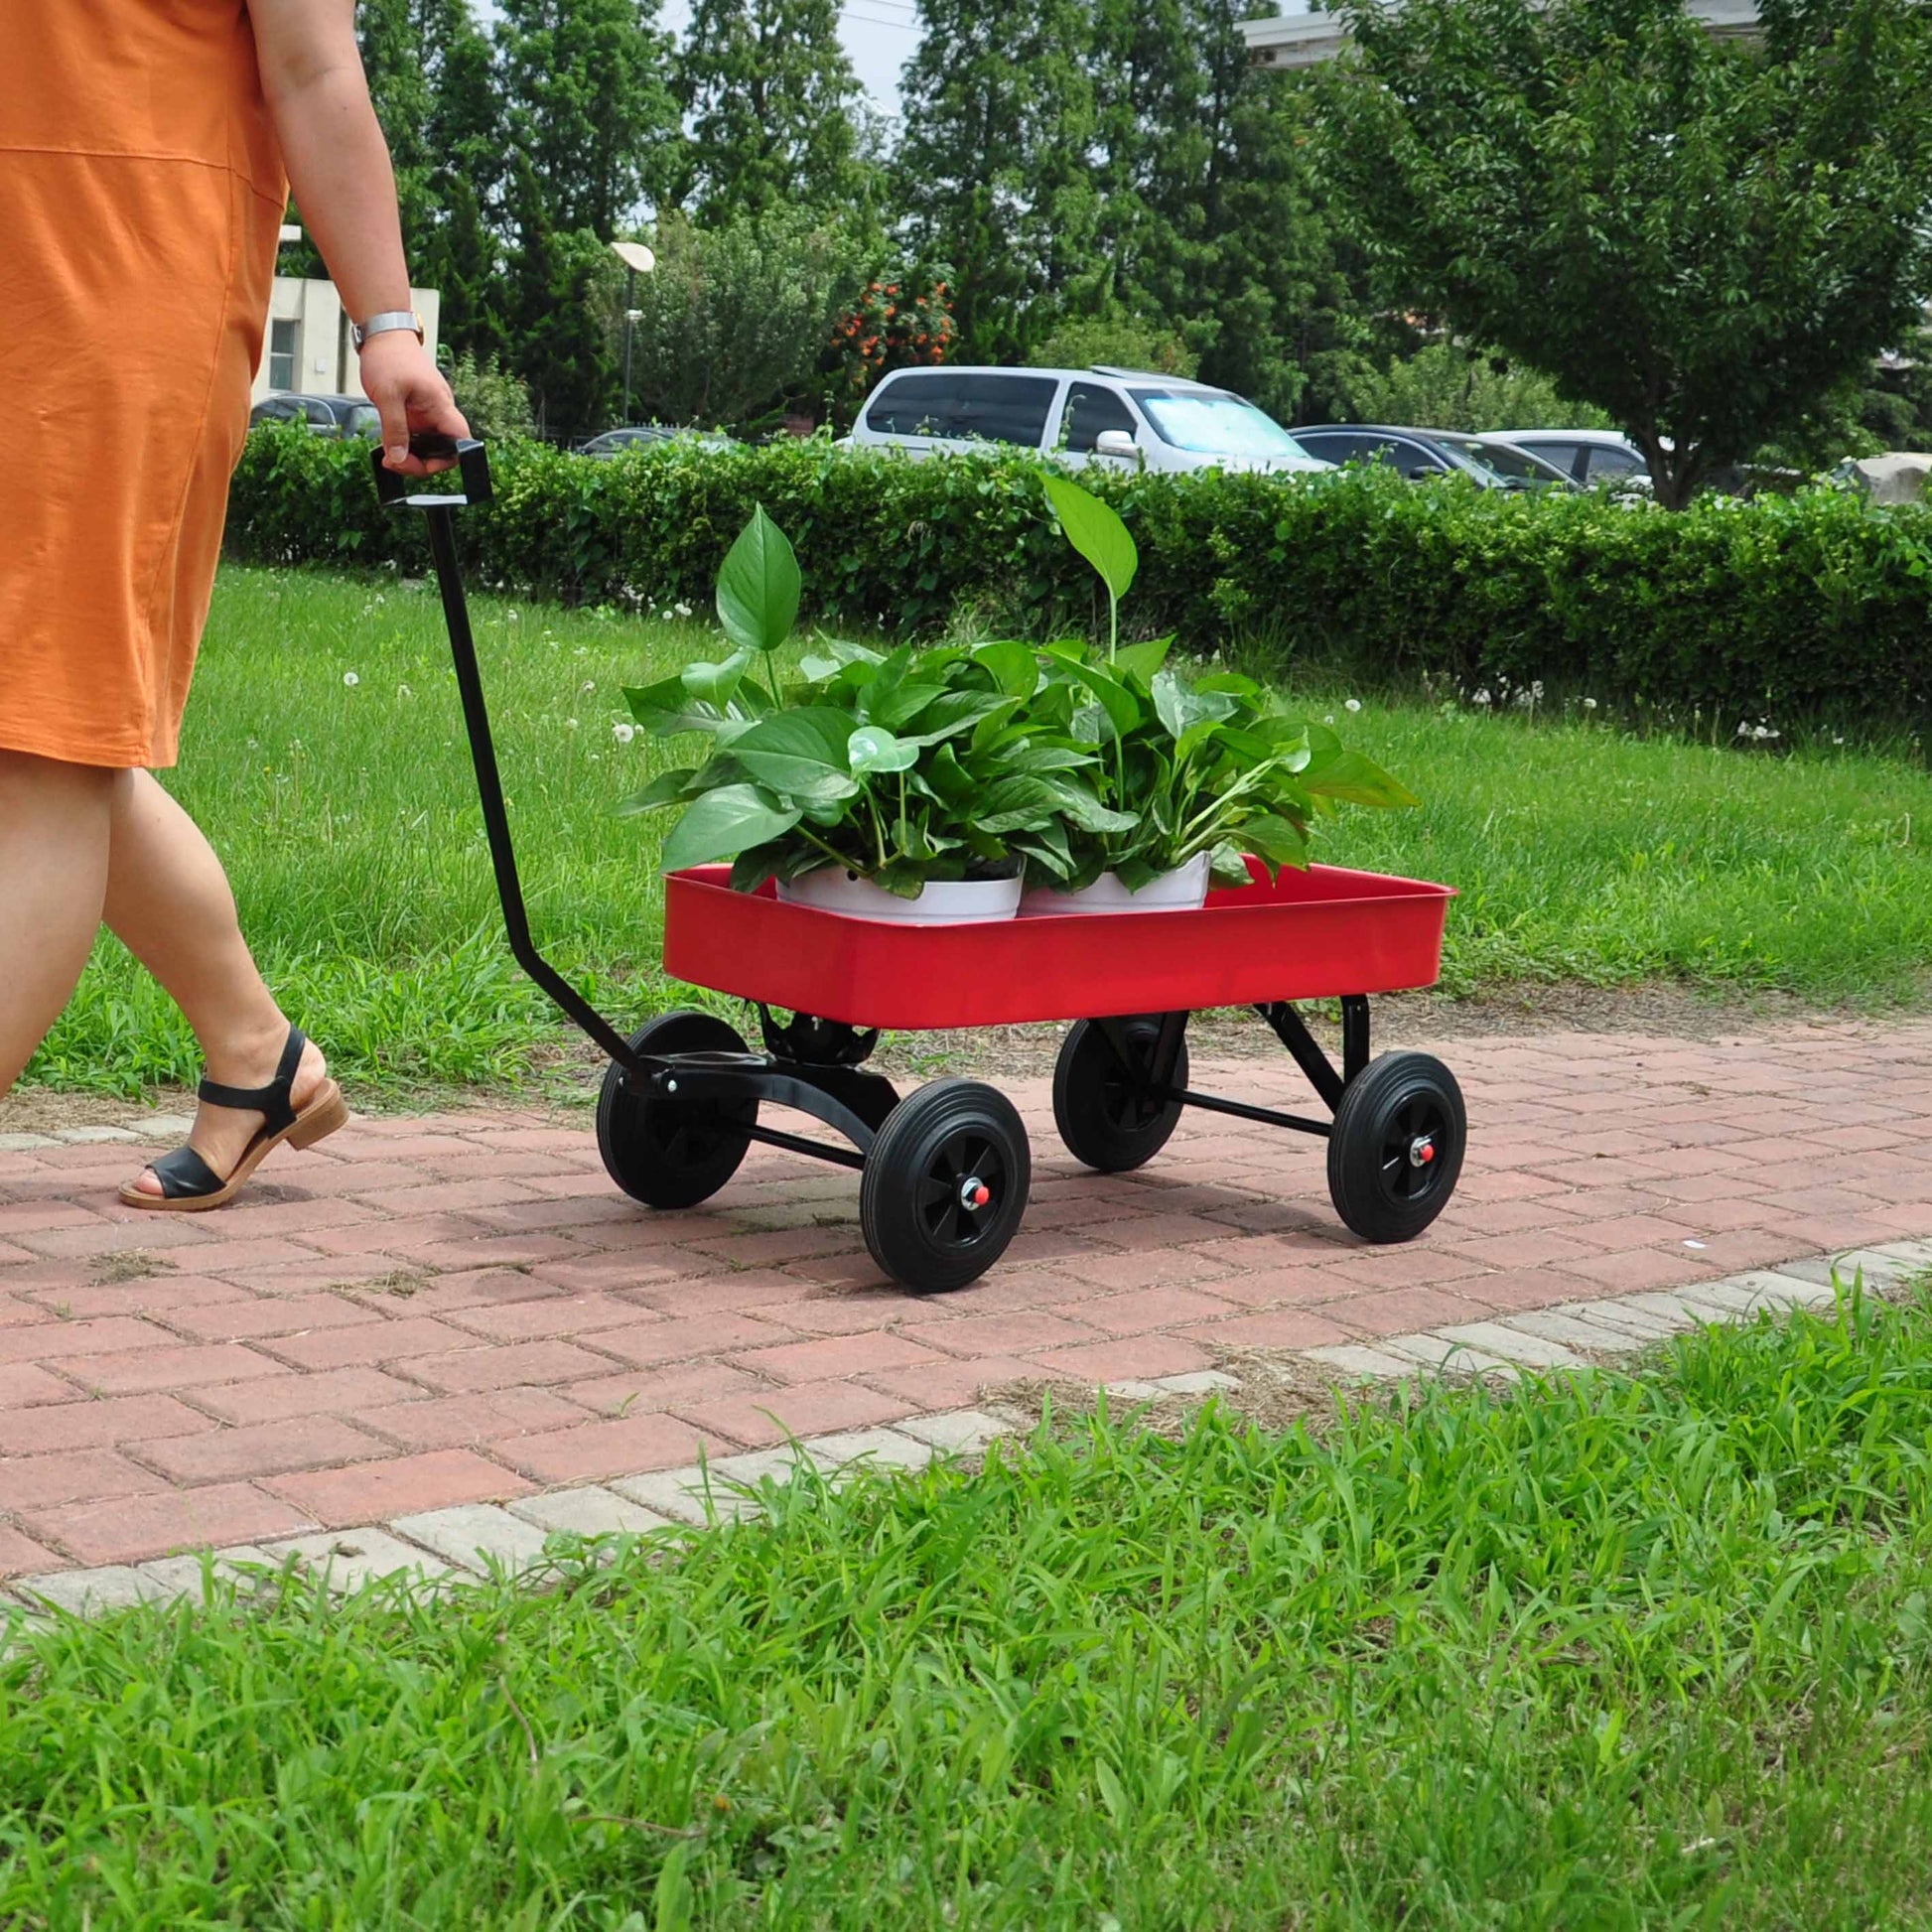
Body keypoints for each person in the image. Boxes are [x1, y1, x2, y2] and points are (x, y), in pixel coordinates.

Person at [0, 0, 470, 1209]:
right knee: (55, 727)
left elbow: (313, 68)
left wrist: (389, 325)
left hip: (116, 274)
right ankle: (258, 1053)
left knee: (47, 736)